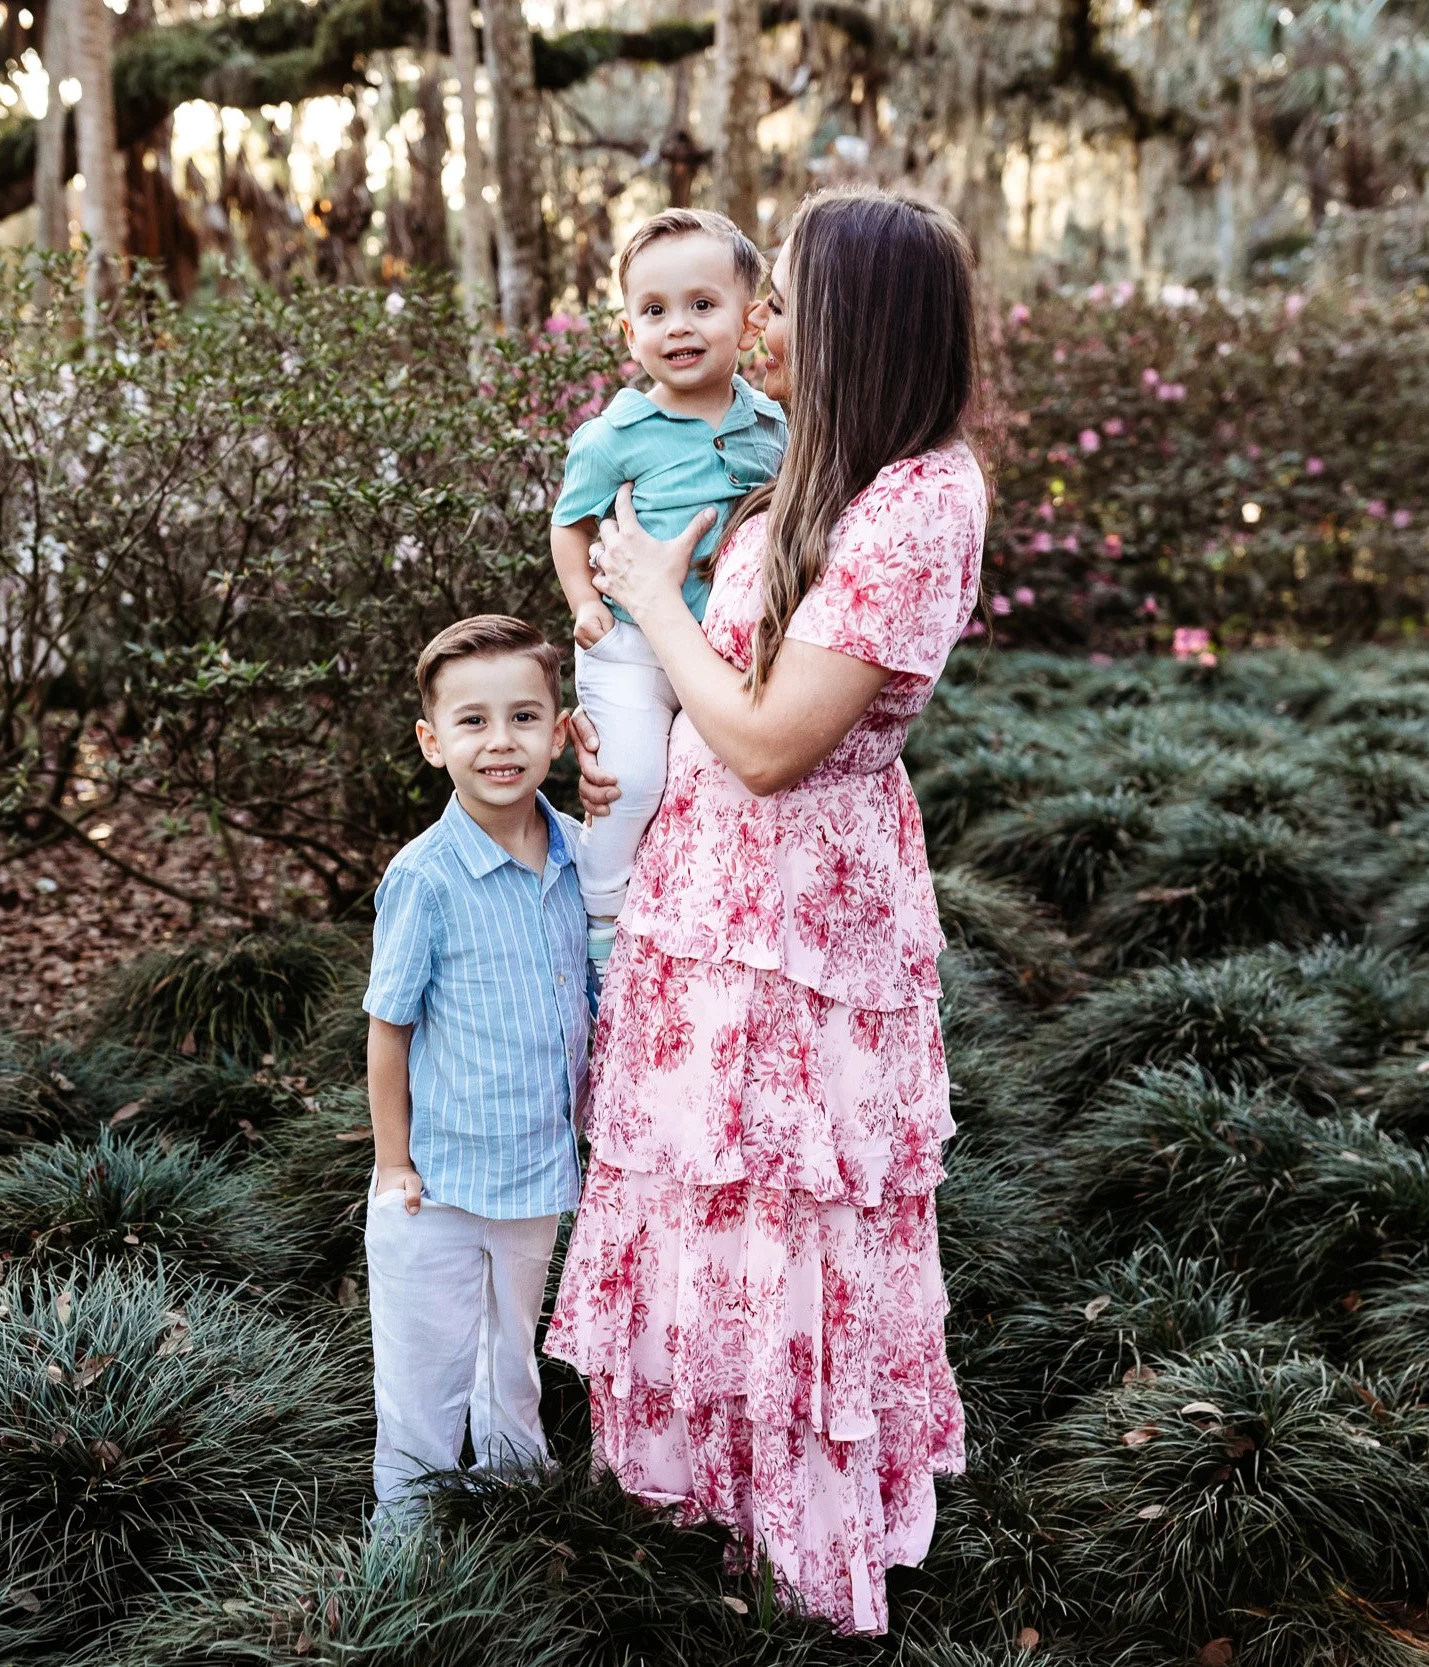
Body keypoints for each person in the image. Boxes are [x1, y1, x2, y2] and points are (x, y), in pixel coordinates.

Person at [545, 189, 985, 1634]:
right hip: (705, 894)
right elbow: (713, 702)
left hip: (799, 920)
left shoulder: (918, 500)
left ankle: (796, 1532)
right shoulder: (819, 462)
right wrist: (620, 748)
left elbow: (773, 741)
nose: (757, 325)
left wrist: (652, 596)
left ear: (857, 324)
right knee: (706, 1195)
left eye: (784, 300)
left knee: (790, 1207)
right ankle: (697, 1492)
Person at [360, 615, 591, 1517]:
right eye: (473, 721)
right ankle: (407, 1523)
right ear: (432, 742)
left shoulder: (578, 855)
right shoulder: (426, 877)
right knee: (424, 1360)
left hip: (534, 1168)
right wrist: (393, 1161)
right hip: (439, 1178)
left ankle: (516, 1485)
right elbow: (390, 1027)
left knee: (512, 1343)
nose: (501, 741)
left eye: (524, 717)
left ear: (559, 731)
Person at [551, 208, 788, 978]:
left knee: (711, 797)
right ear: (629, 333)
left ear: (749, 320)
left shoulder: (773, 427)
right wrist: (585, 603)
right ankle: (596, 920)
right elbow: (569, 524)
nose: (678, 325)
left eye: (702, 304)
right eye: (654, 311)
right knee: (632, 783)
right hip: (630, 649)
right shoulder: (614, 435)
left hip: (723, 661)